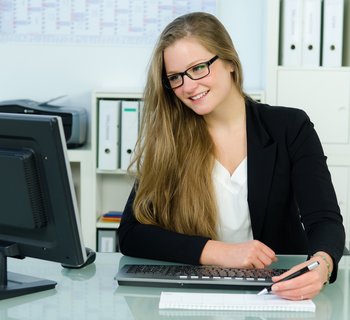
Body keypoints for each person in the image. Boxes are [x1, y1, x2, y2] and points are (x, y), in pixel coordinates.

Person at [118, 12, 345, 301]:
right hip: (200, 291)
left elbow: (324, 220)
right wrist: (217, 251)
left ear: (229, 63)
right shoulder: (169, 139)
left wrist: (322, 266)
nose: (188, 86)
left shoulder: (290, 127)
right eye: (175, 77)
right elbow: (131, 233)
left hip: (277, 291)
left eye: (198, 68)